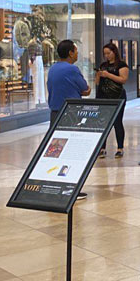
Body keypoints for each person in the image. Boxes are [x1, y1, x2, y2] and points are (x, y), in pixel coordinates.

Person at [47, 39, 90, 199]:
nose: (77, 53)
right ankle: (71, 187)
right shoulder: (72, 69)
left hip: (55, 113)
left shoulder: (53, 69)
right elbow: (85, 89)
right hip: (72, 113)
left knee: (57, 150)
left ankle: (54, 184)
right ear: (70, 52)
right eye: (76, 50)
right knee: (72, 151)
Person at [96, 42, 129, 158]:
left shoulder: (121, 65)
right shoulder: (103, 65)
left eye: (108, 53)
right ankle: (102, 147)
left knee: (117, 122)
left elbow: (123, 79)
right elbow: (97, 82)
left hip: (117, 96)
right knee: (103, 122)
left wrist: (108, 75)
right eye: (105, 54)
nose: (107, 56)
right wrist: (99, 75)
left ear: (114, 52)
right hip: (104, 95)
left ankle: (120, 147)